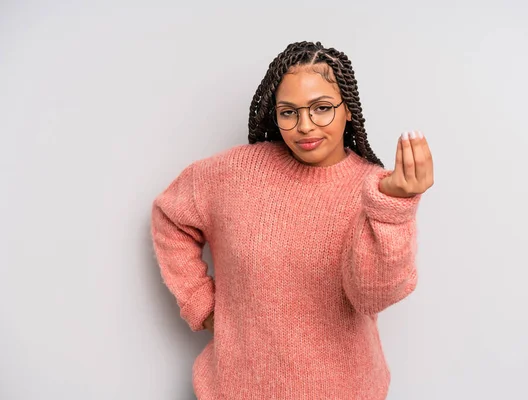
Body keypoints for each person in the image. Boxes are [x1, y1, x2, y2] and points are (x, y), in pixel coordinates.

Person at [150, 41, 434, 400]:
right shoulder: (232, 174)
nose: (304, 126)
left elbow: (371, 297)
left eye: (322, 108)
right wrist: (200, 304)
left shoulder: (373, 189)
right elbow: (170, 215)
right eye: (289, 112)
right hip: (236, 388)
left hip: (342, 390)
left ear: (348, 110)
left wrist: (392, 207)